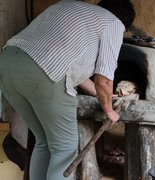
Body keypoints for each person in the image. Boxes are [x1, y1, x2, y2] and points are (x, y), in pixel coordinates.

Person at [0, 0, 135, 179]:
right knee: (64, 148)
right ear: (125, 23)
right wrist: (109, 110)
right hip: (45, 73)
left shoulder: (70, 7)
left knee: (44, 142)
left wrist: (100, 94)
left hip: (8, 64)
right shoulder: (114, 24)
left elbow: (74, 70)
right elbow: (103, 78)